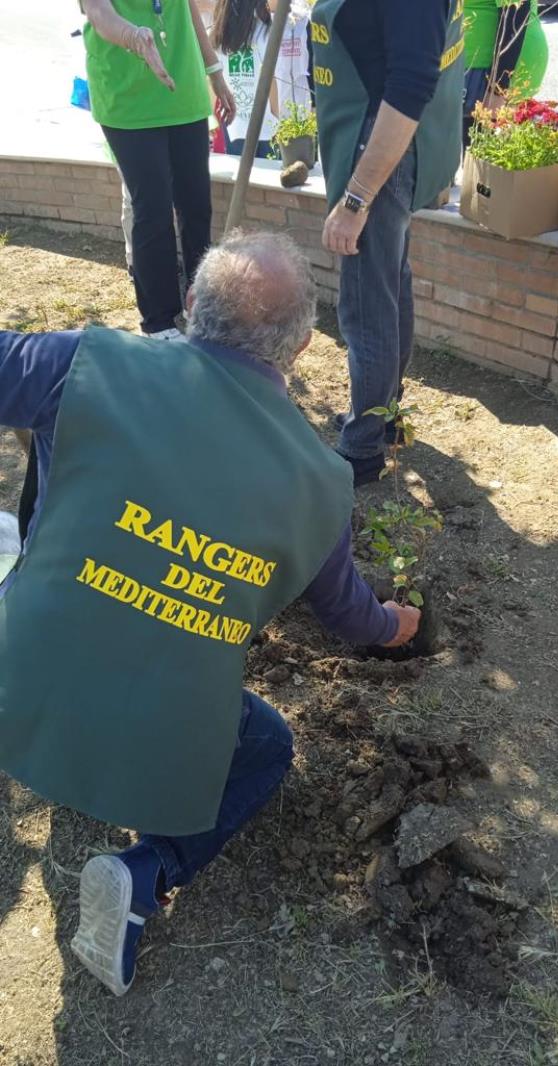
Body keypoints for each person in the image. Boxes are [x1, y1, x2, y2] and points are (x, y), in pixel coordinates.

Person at [0, 232, 421, 997]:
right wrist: (395, 624)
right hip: (160, 725)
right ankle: (151, 866)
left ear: (191, 304)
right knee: (267, 747)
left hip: (21, 672)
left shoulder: (88, 362)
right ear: (300, 348)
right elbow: (347, 614)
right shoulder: (321, 481)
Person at [311, 0, 465, 486]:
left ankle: (361, 450)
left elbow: (410, 86)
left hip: (380, 152)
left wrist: (356, 200)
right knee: (390, 283)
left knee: (366, 306)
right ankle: (384, 417)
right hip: (383, 144)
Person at [81, 0, 236, 340]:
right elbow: (98, 12)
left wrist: (215, 73)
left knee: (197, 206)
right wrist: (135, 37)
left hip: (185, 94)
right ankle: (160, 321)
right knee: (153, 209)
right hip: (128, 100)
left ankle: (202, 305)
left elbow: (189, 9)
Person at [463, 0, 549, 149]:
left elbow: (516, 13)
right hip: (480, 61)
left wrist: (497, 88)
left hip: (493, 66)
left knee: (480, 151)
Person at [211, 0, 279, 158]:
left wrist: (212, 115)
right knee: (267, 171)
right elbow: (270, 78)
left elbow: (213, 76)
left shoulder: (218, 34)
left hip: (234, 122)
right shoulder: (264, 31)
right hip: (266, 123)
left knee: (239, 171)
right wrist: (277, 115)